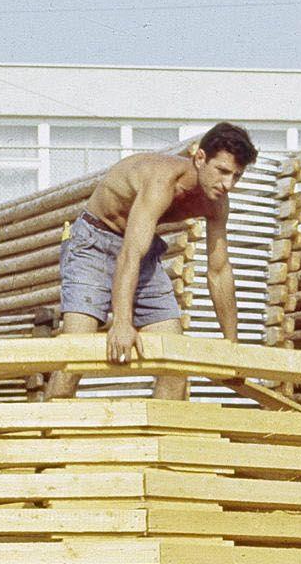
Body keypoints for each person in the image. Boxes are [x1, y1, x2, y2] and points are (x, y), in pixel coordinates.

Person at [49, 126, 257, 400]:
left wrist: (232, 345)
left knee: (175, 361)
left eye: (236, 176)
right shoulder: (162, 180)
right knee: (76, 352)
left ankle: (161, 428)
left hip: (139, 249)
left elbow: (219, 271)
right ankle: (47, 425)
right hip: (94, 243)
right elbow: (129, 254)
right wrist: (122, 322)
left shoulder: (217, 203)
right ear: (200, 158)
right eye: (222, 171)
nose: (227, 184)